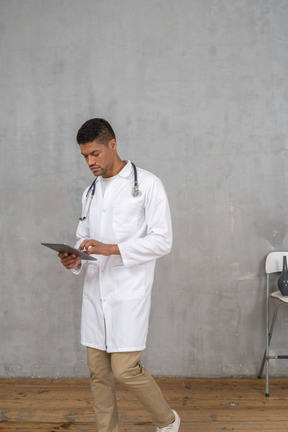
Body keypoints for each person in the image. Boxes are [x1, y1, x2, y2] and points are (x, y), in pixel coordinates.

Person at [58, 118, 180, 432]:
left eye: (95, 153)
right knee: (98, 373)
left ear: (113, 145)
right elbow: (82, 237)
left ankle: (167, 420)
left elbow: (162, 240)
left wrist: (112, 249)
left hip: (129, 291)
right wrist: (74, 260)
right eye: (85, 156)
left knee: (125, 370)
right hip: (95, 291)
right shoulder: (90, 192)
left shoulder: (148, 184)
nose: (90, 162)